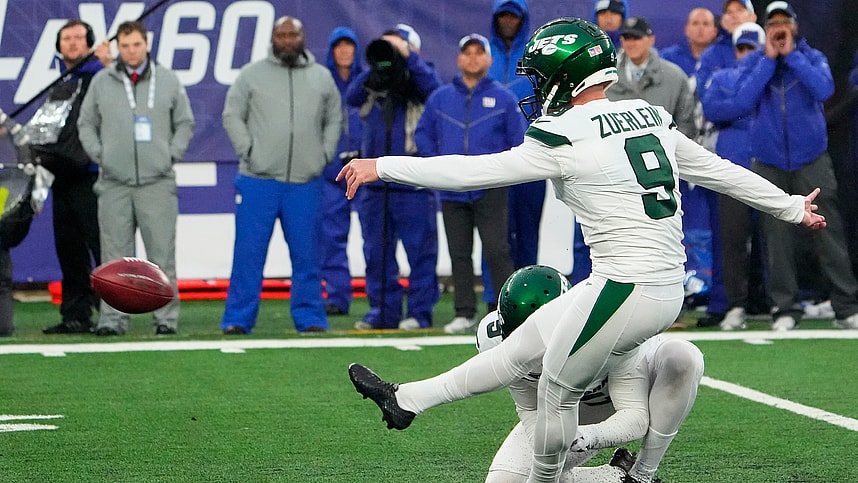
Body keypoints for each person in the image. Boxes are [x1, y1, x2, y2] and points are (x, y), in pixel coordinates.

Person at [338, 17, 825, 482]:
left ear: (562, 77)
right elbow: (717, 170)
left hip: (629, 286)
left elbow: (473, 171)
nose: (534, 87)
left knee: (553, 387)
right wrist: (788, 206)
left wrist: (383, 166)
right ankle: (406, 400)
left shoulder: (564, 133)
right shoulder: (649, 115)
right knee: (520, 347)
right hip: (643, 281)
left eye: (539, 76)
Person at [477, 266, 703, 483]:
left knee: (682, 357)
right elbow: (529, 410)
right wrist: (546, 457)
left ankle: (641, 475)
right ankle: (617, 476)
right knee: (507, 479)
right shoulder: (495, 343)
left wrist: (591, 435)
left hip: (633, 386)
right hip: (572, 405)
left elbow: (635, 416)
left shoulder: (606, 328)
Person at [733, 1, 858, 331]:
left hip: (812, 157)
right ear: (765, 27)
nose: (779, 28)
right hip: (769, 162)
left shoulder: (811, 56)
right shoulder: (755, 62)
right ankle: (784, 308)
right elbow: (742, 100)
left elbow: (825, 88)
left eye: (784, 22)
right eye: (773, 23)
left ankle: (846, 307)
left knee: (829, 232)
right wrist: (769, 60)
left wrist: (791, 56)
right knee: (777, 238)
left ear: (794, 25)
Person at [220, 16, 341, 335]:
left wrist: (323, 155)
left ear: (302, 38)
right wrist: (249, 152)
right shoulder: (250, 75)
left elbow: (334, 120)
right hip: (257, 180)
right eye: (281, 35)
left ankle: (310, 316)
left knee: (307, 256)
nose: (286, 40)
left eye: (292, 35)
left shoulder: (321, 78)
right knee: (248, 254)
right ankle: (237, 318)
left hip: (305, 181)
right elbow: (231, 115)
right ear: (273, 39)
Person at [78, 20, 195, 336]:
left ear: (147, 45)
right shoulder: (103, 81)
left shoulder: (168, 80)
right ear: (118, 48)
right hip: (114, 183)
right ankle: (112, 321)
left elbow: (185, 122)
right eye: (125, 45)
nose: (130, 51)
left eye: (136, 45)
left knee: (161, 256)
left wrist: (170, 154)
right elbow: (85, 123)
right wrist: (101, 155)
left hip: (157, 183)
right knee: (113, 260)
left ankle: (165, 320)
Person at [571, 15, 697, 286]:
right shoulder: (600, 75)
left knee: (662, 235)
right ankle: (585, 293)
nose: (631, 43)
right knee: (592, 237)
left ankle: (668, 296)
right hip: (606, 174)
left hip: (655, 175)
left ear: (650, 39)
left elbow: (686, 125)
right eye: (626, 38)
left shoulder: (673, 77)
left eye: (637, 37)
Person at [414, 33, 523, 335]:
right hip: (452, 189)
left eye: (479, 53)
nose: (473, 58)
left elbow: (519, 140)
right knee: (459, 253)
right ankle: (464, 311)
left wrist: (501, 170)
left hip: (490, 188)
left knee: (497, 250)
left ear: (489, 60)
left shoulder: (503, 98)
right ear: (459, 59)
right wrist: (438, 166)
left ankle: (503, 313)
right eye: (468, 53)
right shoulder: (440, 98)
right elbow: (423, 135)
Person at [344, 25, 441, 331]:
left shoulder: (422, 78)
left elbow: (435, 92)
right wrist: (375, 61)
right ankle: (382, 312)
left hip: (413, 183)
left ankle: (419, 313)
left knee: (421, 254)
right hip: (375, 186)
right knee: (377, 254)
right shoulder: (374, 80)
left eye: (398, 46)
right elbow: (352, 96)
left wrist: (407, 57)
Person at [29, 20, 111, 335]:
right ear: (59, 46)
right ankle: (76, 315)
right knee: (69, 248)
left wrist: (107, 65)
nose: (74, 43)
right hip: (62, 175)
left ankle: (111, 315)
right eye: (67, 38)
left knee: (99, 246)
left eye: (79, 38)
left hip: (91, 175)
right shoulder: (62, 82)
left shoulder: (100, 76)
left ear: (90, 44)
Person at [699, 22, 768, 330]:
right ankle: (735, 305)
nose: (746, 54)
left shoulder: (772, 75)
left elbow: (736, 107)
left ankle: (775, 303)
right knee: (732, 239)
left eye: (752, 48)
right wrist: (744, 105)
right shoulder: (723, 76)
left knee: (773, 240)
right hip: (733, 166)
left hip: (769, 164)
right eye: (741, 48)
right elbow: (716, 110)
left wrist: (738, 108)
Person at [488, 0, 544, 292]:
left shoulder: (536, 54)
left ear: (523, 19)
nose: (508, 21)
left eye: (514, 16)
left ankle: (528, 290)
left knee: (527, 229)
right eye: (503, 16)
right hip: (493, 157)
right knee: (494, 233)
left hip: (533, 154)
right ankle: (493, 295)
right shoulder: (485, 53)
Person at [320, 27, 363, 318]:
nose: (345, 51)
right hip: (333, 172)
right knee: (332, 237)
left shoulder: (367, 80)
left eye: (350, 45)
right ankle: (338, 296)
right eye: (339, 46)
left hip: (366, 170)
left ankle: (380, 298)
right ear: (332, 50)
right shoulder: (322, 81)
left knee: (376, 240)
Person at [695, 0, 756, 98]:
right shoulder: (710, 55)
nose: (734, 16)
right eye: (729, 12)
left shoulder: (767, 49)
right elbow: (704, 94)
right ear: (723, 21)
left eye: (740, 10)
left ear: (753, 17)